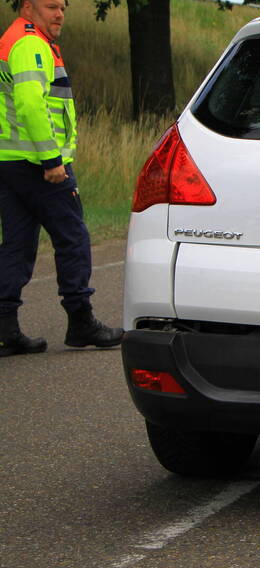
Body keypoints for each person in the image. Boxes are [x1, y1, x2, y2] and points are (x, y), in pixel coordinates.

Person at [0, 0, 122, 358]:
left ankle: (6, 328)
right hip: (39, 163)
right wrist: (52, 159)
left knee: (18, 244)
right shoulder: (31, 45)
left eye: (63, 8)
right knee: (73, 237)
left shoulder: (15, 39)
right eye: (51, 7)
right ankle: (80, 320)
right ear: (27, 7)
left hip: (10, 159)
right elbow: (30, 104)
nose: (59, 15)